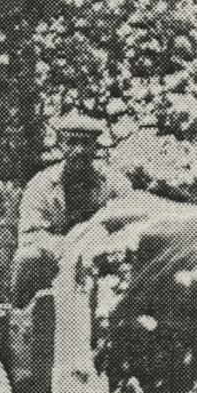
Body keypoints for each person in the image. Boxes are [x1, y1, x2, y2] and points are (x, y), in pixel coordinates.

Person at [11, 112, 123, 306]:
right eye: (72, 142)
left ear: (95, 146)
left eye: (86, 143)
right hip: (55, 266)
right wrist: (72, 249)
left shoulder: (115, 184)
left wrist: (99, 247)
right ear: (60, 145)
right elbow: (30, 237)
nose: (79, 150)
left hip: (102, 261)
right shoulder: (41, 185)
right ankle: (24, 322)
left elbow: (131, 225)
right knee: (28, 257)